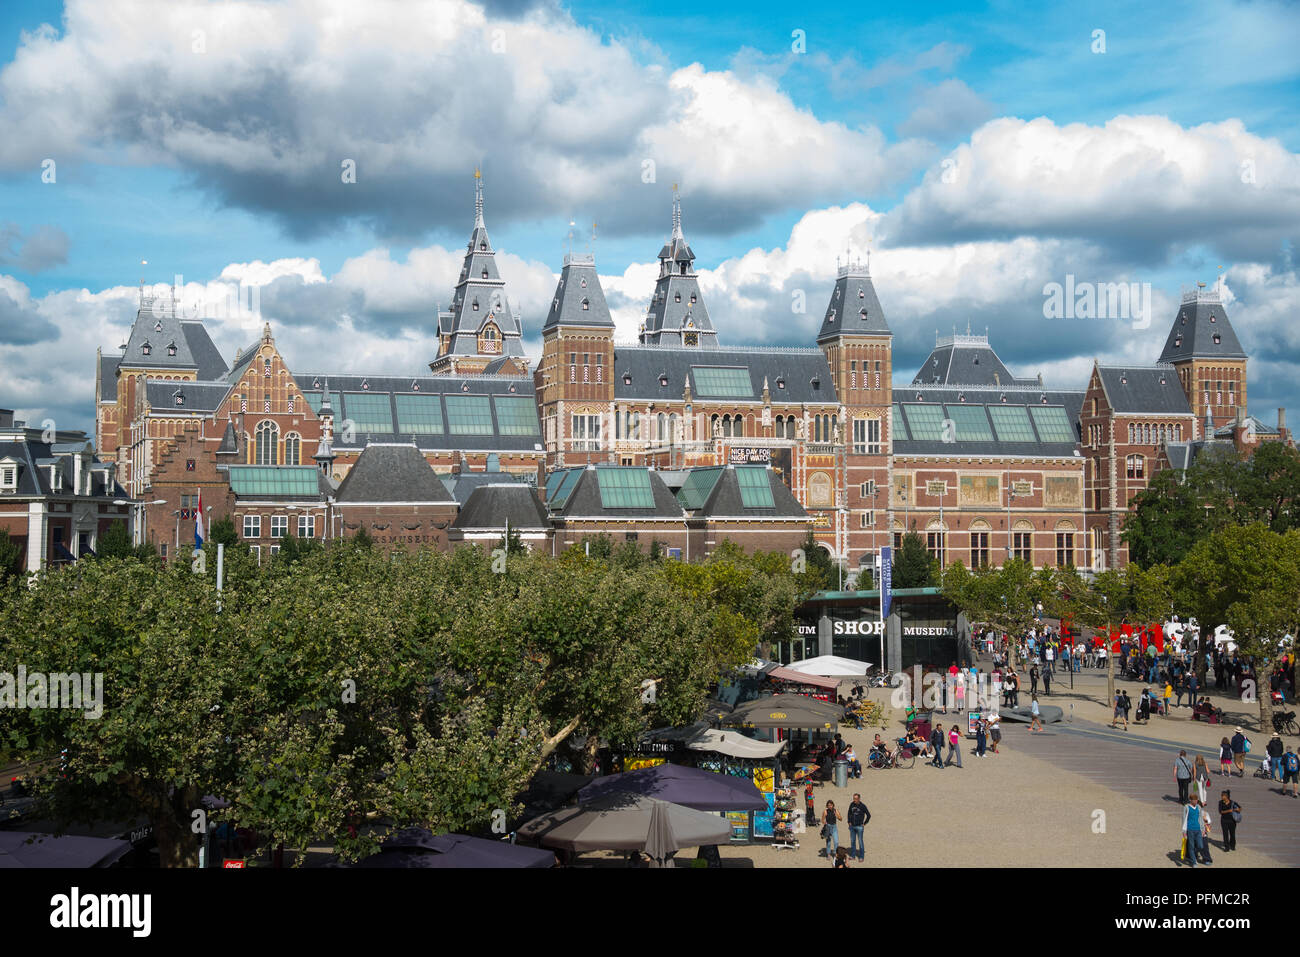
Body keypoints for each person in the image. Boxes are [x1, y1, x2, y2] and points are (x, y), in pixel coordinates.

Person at [1181, 795, 1206, 867]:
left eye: (1196, 800)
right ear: (1191, 800)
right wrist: (1184, 831)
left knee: (1200, 846)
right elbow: (1184, 819)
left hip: (1198, 829)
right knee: (1191, 846)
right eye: (1194, 800)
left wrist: (1203, 829)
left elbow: (1200, 818)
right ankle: (1194, 861)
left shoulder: (1199, 807)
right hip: (1190, 829)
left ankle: (1192, 855)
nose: (1195, 801)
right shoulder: (1186, 807)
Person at [846, 793, 870, 861]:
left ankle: (861, 856)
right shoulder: (851, 804)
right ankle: (853, 856)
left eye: (856, 799)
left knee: (860, 842)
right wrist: (849, 822)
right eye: (853, 798)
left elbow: (868, 815)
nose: (854, 800)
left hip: (860, 826)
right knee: (853, 841)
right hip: (852, 826)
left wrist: (864, 823)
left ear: (859, 799)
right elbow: (849, 813)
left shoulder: (863, 806)